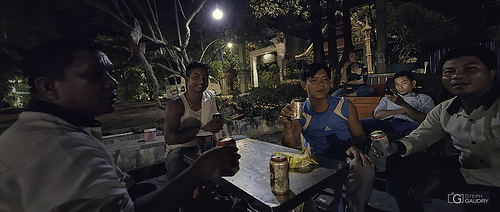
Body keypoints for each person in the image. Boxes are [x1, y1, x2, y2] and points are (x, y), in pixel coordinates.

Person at [0, 40, 240, 212]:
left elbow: (123, 189)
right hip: (181, 152)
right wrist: (196, 174)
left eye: (111, 73)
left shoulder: (72, 132)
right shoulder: (53, 150)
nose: (113, 83)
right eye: (95, 74)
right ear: (49, 87)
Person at [373, 45, 500, 211]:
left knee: (479, 200)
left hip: (491, 186)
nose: (458, 75)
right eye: (449, 71)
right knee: (400, 163)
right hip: (465, 171)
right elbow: (421, 136)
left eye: (470, 68)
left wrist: (451, 177)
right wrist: (397, 146)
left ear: (491, 73)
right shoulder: (445, 109)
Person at [281, 63, 375, 212]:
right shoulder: (301, 113)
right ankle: (307, 205)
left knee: (364, 167)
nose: (321, 84)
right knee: (283, 169)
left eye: (325, 79)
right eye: (314, 80)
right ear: (304, 85)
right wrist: (287, 127)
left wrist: (356, 146)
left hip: (345, 157)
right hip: (317, 162)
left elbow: (359, 136)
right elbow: (289, 148)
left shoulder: (344, 105)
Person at [163, 61, 232, 180]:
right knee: (178, 175)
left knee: (228, 167)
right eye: (196, 77)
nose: (201, 81)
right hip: (179, 149)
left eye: (205, 78)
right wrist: (203, 129)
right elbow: (169, 138)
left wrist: (228, 141)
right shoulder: (176, 104)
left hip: (207, 146)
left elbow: (221, 120)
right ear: (186, 79)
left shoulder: (210, 98)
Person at [360, 71, 435, 137]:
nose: (400, 87)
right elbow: (377, 115)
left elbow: (426, 120)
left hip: (407, 124)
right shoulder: (388, 98)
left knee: (419, 131)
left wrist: (403, 103)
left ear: (413, 83)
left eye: (403, 83)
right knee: (361, 123)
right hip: (386, 122)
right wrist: (403, 111)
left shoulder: (424, 98)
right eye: (397, 84)